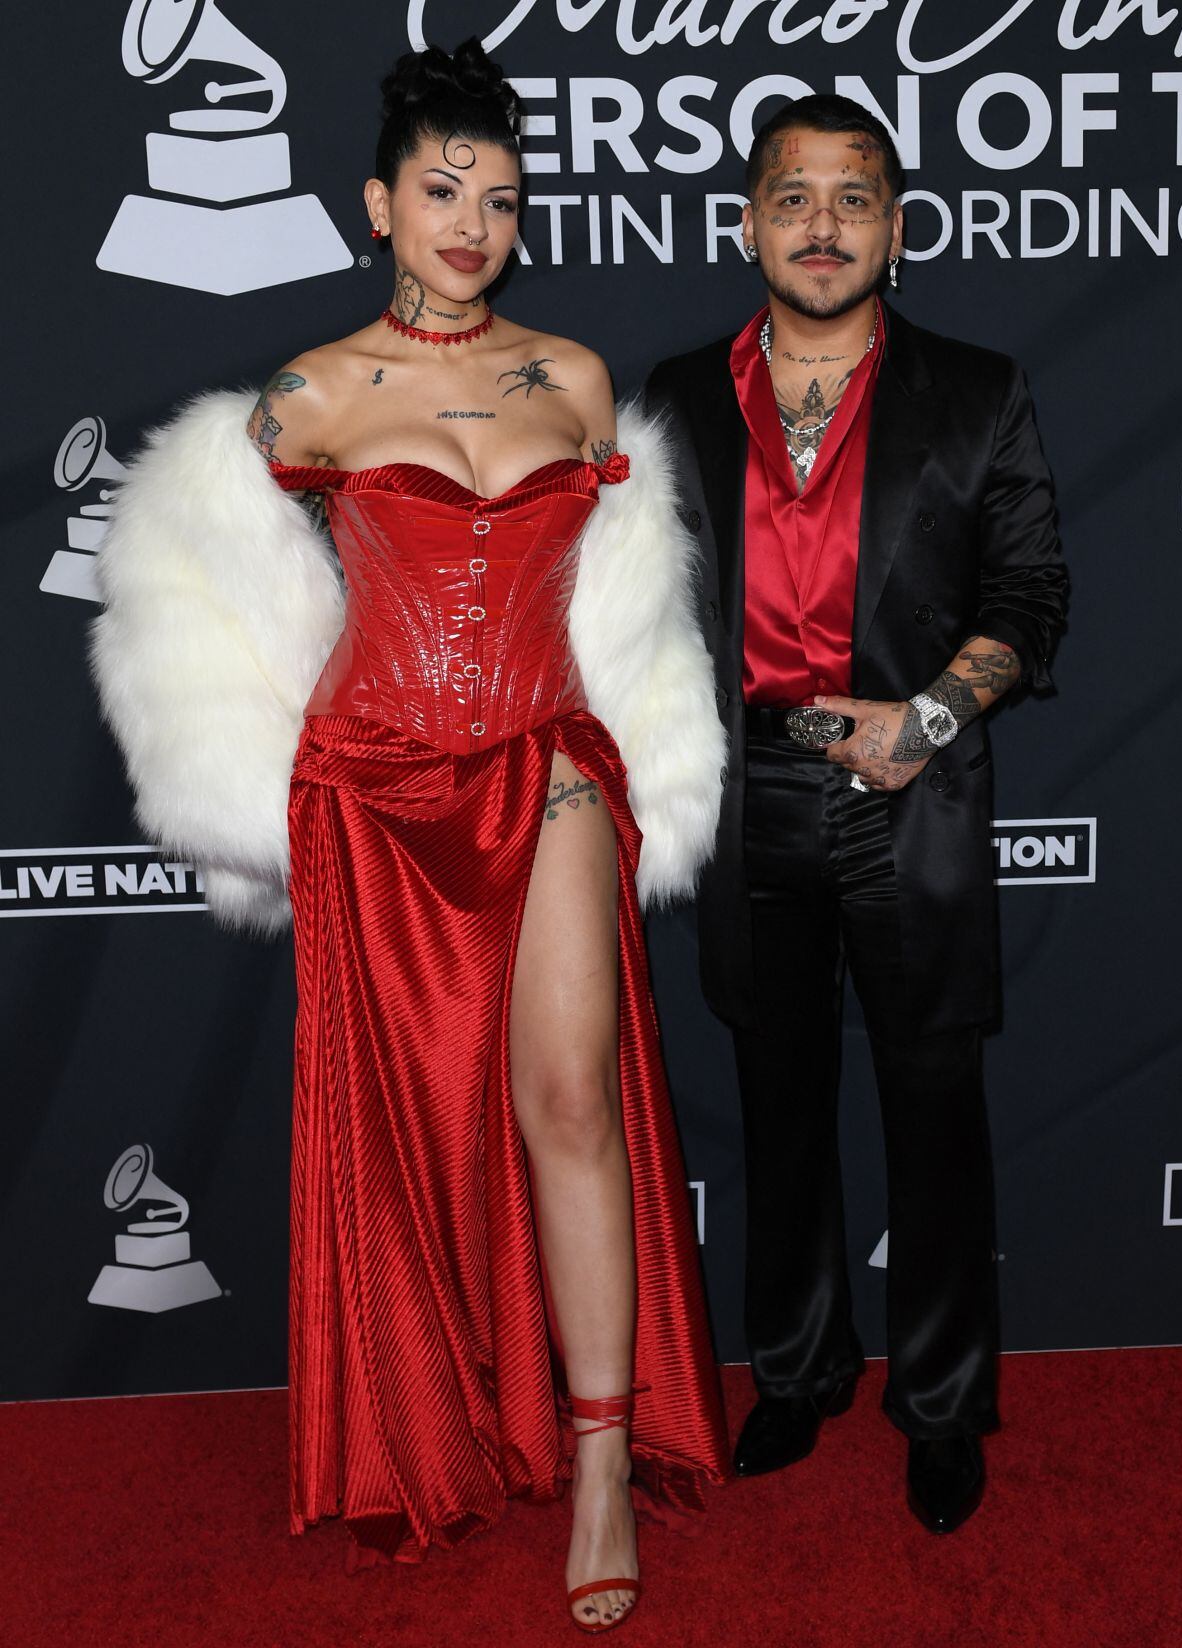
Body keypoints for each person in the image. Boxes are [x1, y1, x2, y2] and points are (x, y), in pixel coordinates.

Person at [91, 38, 728, 1633]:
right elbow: (200, 580)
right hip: (376, 788)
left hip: (546, 763)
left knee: (569, 1095)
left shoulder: (574, 379)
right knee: (406, 1128)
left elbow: (606, 600)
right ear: (380, 203)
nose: (473, 221)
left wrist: (613, 743)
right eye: (443, 190)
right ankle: (434, 1417)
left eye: (501, 198)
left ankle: (596, 1460)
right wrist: (250, 760)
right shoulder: (308, 397)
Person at [643, 94, 1067, 1534]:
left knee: (934, 1113)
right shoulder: (675, 396)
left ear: (898, 223)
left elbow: (1031, 599)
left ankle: (944, 1406)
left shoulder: (981, 388)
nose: (823, 224)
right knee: (776, 1105)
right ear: (748, 220)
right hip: (751, 791)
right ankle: (801, 1371)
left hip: (918, 790)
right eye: (793, 196)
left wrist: (928, 719)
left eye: (855, 197)